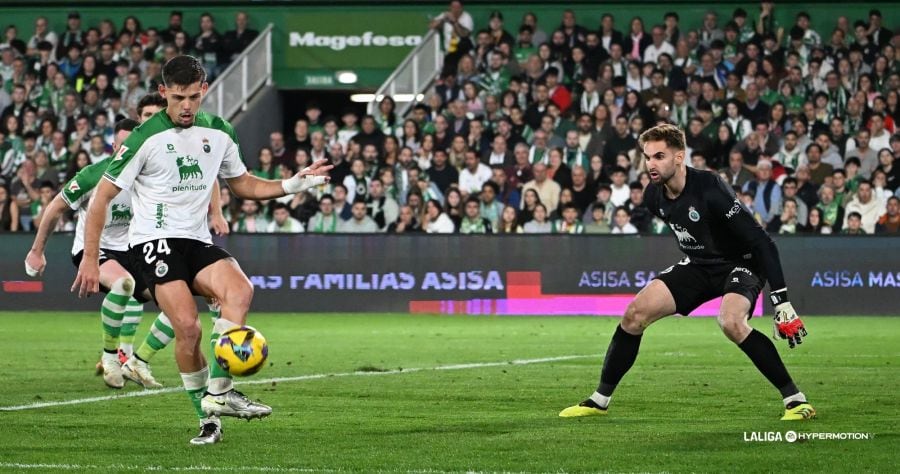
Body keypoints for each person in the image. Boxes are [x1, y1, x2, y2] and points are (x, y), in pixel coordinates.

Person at [72, 56, 332, 445]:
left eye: (194, 96)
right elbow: (100, 200)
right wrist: (91, 259)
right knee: (189, 328)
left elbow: (243, 184)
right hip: (152, 243)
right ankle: (206, 418)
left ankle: (220, 393)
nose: (187, 106)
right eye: (178, 98)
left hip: (195, 240)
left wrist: (292, 185)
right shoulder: (144, 137)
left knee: (240, 291)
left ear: (204, 90)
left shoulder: (220, 131)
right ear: (163, 93)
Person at [560, 124, 813, 422]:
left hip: (741, 261)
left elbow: (762, 242)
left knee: (731, 322)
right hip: (700, 264)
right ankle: (598, 401)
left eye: (659, 156)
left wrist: (781, 300)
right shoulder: (653, 197)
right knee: (634, 315)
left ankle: (796, 401)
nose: (651, 164)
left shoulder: (711, 188)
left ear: (679, 157)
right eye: (647, 157)